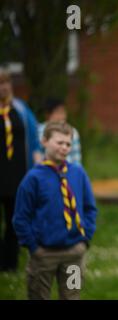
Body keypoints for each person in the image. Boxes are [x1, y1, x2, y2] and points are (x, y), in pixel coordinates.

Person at [13, 122, 97, 299]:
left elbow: (90, 208)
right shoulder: (33, 178)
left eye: (68, 144)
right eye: (59, 143)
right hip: (44, 254)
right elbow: (21, 217)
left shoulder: (78, 173)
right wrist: (34, 247)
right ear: (44, 141)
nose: (64, 148)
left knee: (72, 295)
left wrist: (85, 238)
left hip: (74, 253)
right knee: (39, 296)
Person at [0, 68, 41, 272]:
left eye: (6, 82)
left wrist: (38, 160)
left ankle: (10, 262)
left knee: (14, 219)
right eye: (0, 83)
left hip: (18, 173)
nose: (3, 87)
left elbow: (34, 138)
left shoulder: (21, 109)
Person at [38, 98, 82, 165]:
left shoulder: (73, 131)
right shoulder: (38, 130)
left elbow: (76, 158)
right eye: (58, 112)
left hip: (68, 172)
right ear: (48, 114)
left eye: (63, 112)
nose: (62, 116)